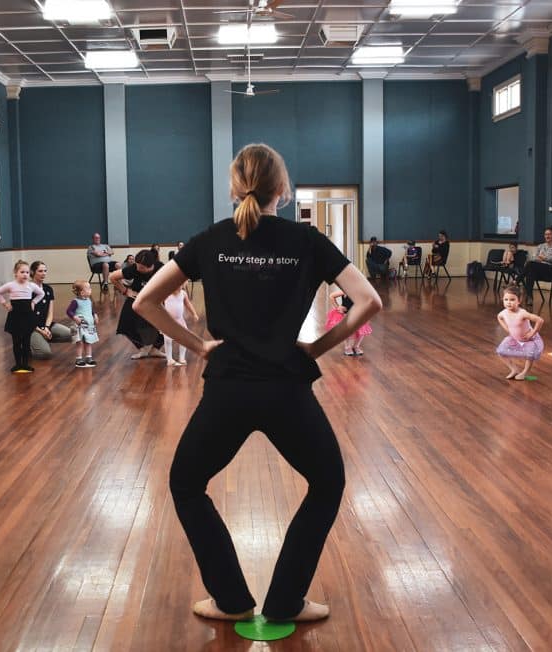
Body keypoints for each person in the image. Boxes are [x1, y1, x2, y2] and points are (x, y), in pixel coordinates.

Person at [133, 143, 381, 623]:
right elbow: (368, 300)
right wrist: (318, 347)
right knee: (327, 485)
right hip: (287, 389)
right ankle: (286, 600)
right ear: (282, 191)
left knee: (186, 485)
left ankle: (230, 600)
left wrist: (199, 344)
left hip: (228, 390)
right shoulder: (306, 241)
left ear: (233, 188)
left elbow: (145, 301)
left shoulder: (210, 240)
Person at [110, 249, 166, 359]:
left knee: (169, 323)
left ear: (151, 266)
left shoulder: (161, 268)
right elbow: (112, 277)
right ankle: (142, 349)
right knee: (125, 323)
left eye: (141, 267)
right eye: (137, 265)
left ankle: (155, 349)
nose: (138, 268)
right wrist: (126, 291)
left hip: (156, 299)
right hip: (137, 297)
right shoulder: (134, 268)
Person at [0, 261, 45, 373]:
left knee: (26, 341)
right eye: (22, 272)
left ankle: (26, 364)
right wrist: (5, 304)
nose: (25, 274)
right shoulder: (11, 285)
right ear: (15, 273)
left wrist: (33, 302)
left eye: (27, 272)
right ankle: (18, 364)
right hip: (15, 316)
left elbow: (41, 293)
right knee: (16, 341)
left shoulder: (31, 285)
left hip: (27, 316)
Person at [495, 284, 544, 380]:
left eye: (512, 300)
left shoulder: (522, 313)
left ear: (519, 301)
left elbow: (540, 320)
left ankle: (525, 372)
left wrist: (532, 333)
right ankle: (514, 369)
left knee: (529, 354)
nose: (509, 303)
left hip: (528, 339)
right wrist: (508, 329)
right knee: (501, 351)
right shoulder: (503, 313)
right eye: (506, 300)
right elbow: (499, 317)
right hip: (515, 339)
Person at [29, 261, 76, 360]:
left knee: (73, 334)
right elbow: (27, 317)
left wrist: (46, 327)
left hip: (46, 325)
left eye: (45, 271)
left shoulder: (48, 289)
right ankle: (27, 345)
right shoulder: (27, 290)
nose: (43, 273)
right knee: (45, 354)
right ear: (32, 272)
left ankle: (42, 340)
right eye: (40, 271)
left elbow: (50, 313)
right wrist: (40, 331)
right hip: (32, 328)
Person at [326, 285, 372, 356]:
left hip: (357, 313)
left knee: (362, 330)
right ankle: (347, 347)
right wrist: (338, 307)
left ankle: (356, 346)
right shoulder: (345, 291)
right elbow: (331, 296)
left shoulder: (361, 293)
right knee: (347, 332)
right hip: (345, 314)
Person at [522, 227, 552, 302]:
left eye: (549, 234)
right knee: (530, 271)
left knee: (530, 264)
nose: (547, 236)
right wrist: (541, 258)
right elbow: (534, 258)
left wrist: (542, 258)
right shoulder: (541, 246)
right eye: (546, 234)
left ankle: (516, 281)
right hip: (540, 270)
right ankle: (530, 297)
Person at [65, 280, 99, 367]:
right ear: (82, 292)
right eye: (88, 288)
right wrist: (74, 317)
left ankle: (89, 357)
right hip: (79, 325)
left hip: (88, 325)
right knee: (79, 342)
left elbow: (91, 310)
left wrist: (94, 315)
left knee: (88, 341)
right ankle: (79, 358)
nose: (91, 289)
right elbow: (69, 311)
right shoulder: (75, 302)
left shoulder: (89, 301)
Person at [163, 285, 198, 366]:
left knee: (184, 339)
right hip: (168, 321)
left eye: (182, 284)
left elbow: (188, 304)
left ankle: (181, 357)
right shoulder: (166, 293)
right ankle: (169, 359)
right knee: (168, 340)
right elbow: (158, 303)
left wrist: (194, 314)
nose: (180, 286)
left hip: (180, 320)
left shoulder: (183, 294)